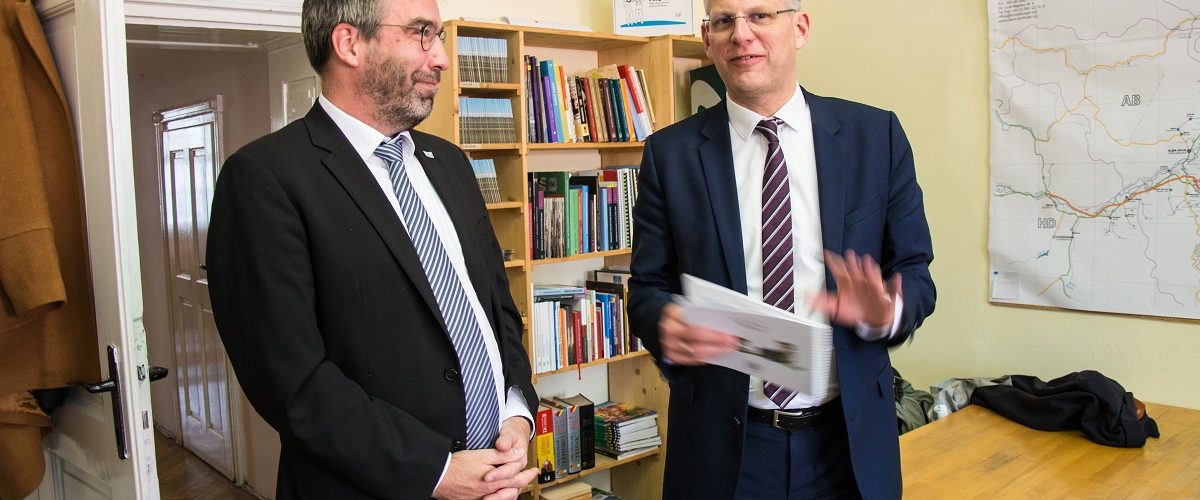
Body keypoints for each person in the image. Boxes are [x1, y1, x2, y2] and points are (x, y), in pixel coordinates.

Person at [206, 0, 538, 498]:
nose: (442, 58)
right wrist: (435, 472)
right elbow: (292, 382)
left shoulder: (450, 163)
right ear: (349, 43)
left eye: (439, 37)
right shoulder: (264, 179)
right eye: (422, 33)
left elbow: (496, 309)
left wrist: (516, 413)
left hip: (495, 479)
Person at [627, 0, 936, 498]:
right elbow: (647, 288)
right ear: (707, 40)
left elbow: (915, 270)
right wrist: (665, 322)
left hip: (848, 445)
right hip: (724, 448)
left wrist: (887, 310)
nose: (740, 35)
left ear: (801, 28)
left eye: (760, 16)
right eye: (723, 21)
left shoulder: (875, 138)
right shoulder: (670, 155)